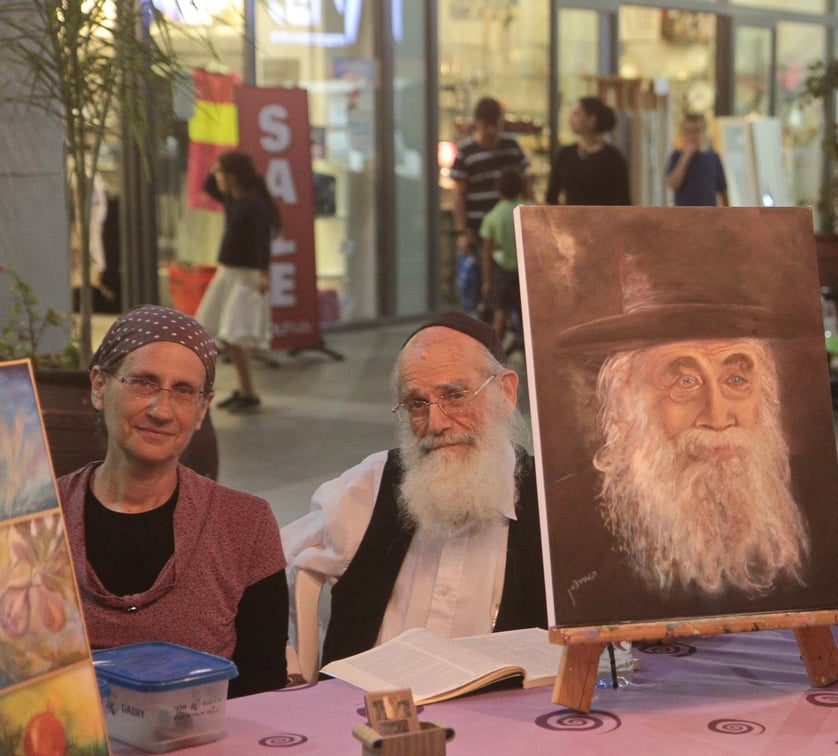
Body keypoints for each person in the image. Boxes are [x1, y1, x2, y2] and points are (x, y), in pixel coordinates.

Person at [546, 257, 838, 625]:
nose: (717, 416)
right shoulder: (565, 520)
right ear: (624, 398)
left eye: (736, 380)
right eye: (685, 382)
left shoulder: (813, 500)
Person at [281, 312, 546, 666]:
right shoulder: (372, 486)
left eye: (454, 395)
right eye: (417, 404)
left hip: (500, 717)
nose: (435, 424)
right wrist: (287, 665)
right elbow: (262, 567)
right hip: (362, 712)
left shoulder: (552, 505)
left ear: (506, 391)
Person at [57, 305, 287, 698]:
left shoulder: (245, 524)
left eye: (183, 391)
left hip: (203, 754)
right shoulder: (38, 521)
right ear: (99, 386)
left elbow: (262, 688)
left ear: (202, 409)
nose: (161, 410)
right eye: (143, 382)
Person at [195, 150, 281, 413]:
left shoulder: (255, 204)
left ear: (232, 175)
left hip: (247, 274)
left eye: (221, 172)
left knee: (235, 333)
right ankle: (247, 391)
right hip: (229, 272)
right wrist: (217, 167)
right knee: (228, 334)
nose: (217, 177)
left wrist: (264, 273)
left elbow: (262, 242)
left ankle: (248, 392)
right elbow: (207, 185)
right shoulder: (233, 198)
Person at [450, 97, 530, 313]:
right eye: (487, 126)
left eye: (496, 125)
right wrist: (462, 231)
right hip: (479, 231)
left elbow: (526, 184)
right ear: (477, 123)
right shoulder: (466, 151)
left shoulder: (511, 147)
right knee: (485, 288)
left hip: (511, 233)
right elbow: (458, 194)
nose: (492, 131)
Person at [544, 96, 631, 206]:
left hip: (602, 220)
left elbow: (622, 200)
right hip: (569, 220)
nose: (571, 119)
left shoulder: (612, 158)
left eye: (577, 114)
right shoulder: (565, 153)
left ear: (592, 119)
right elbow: (551, 196)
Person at [480, 169, 531, 348]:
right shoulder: (528, 209)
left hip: (502, 271)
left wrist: (487, 281)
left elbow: (487, 253)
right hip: (527, 270)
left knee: (500, 312)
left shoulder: (492, 216)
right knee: (528, 313)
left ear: (498, 190)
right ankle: (529, 351)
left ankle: (494, 353)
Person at [665, 114, 728, 207]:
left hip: (708, 212)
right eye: (689, 131)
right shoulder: (676, 156)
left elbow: (722, 189)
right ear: (683, 133)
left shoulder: (713, 157)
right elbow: (673, 184)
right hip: (683, 213)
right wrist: (686, 157)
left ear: (704, 132)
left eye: (697, 130)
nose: (693, 135)